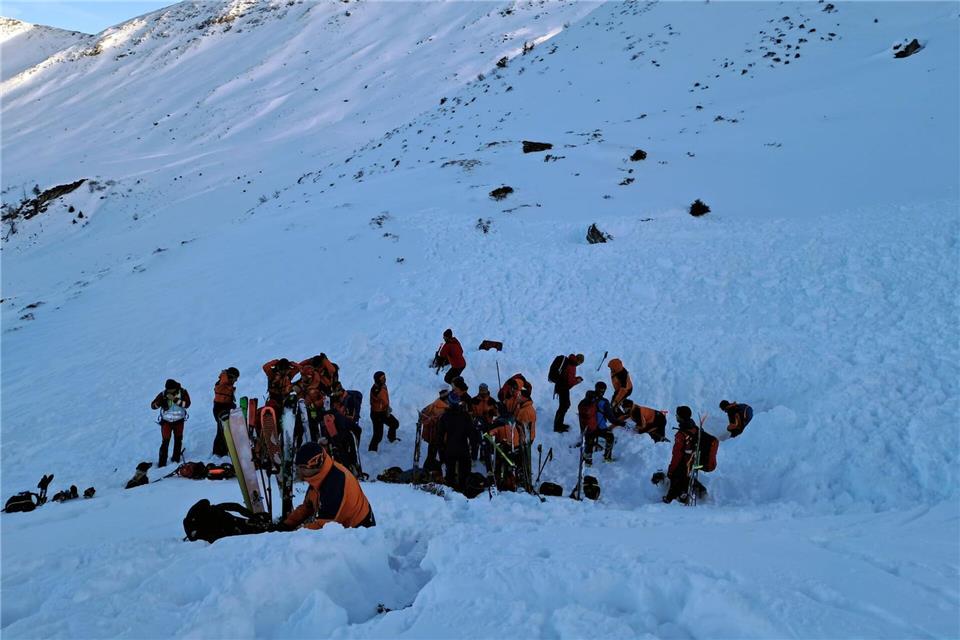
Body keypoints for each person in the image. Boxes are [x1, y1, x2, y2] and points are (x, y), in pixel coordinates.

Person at [278, 442, 375, 530]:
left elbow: (323, 526)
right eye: (298, 467)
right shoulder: (319, 476)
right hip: (342, 526)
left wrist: (295, 535)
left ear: (316, 465)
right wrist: (287, 524)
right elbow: (307, 507)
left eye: (302, 468)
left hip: (361, 532)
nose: (298, 472)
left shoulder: (335, 482)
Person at [436, 393, 479, 493]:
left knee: (450, 474)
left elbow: (440, 436)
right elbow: (472, 435)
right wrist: (474, 453)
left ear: (449, 403)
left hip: (450, 448)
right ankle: (463, 491)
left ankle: (450, 493)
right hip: (463, 448)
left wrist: (441, 454)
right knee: (465, 473)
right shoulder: (465, 416)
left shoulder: (445, 416)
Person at [663, 406, 706, 504]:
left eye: (677, 415)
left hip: (685, 461)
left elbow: (676, 455)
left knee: (674, 475)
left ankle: (670, 498)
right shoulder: (695, 428)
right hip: (694, 459)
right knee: (684, 477)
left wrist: (671, 469)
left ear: (681, 418)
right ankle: (691, 491)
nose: (676, 416)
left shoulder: (681, 434)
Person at [151, 379, 191, 467]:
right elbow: (152, 406)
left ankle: (176, 459)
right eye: (167, 389)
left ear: (175, 388)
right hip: (166, 422)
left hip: (179, 421)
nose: (169, 391)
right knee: (165, 442)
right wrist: (158, 403)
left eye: (170, 389)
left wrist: (175, 399)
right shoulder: (163, 394)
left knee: (178, 440)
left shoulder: (183, 392)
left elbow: (187, 404)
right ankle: (162, 463)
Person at [578, 389, 613, 465]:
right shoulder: (586, 405)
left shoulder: (588, 403)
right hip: (590, 430)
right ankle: (589, 461)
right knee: (590, 443)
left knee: (609, 436)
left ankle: (603, 458)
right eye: (593, 398)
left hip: (594, 428)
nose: (595, 399)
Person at [419, 389, 450, 473]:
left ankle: (428, 470)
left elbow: (423, 413)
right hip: (438, 436)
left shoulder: (435, 404)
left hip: (434, 436)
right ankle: (431, 470)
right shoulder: (443, 408)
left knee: (432, 454)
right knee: (440, 455)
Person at [368, 371, 400, 451]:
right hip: (377, 414)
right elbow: (376, 403)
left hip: (383, 412)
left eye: (384, 377)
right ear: (378, 380)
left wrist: (386, 408)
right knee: (378, 435)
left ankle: (391, 438)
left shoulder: (381, 386)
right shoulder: (377, 390)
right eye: (382, 378)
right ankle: (372, 450)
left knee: (394, 424)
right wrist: (386, 409)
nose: (385, 379)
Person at [212, 367, 239, 457]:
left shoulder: (227, 383)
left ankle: (223, 450)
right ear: (231, 376)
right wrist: (226, 374)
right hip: (219, 409)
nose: (236, 380)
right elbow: (224, 380)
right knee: (222, 431)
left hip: (224, 408)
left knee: (224, 430)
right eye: (235, 378)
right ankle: (218, 452)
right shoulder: (223, 382)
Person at [553, 354, 584, 433]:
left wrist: (576, 378)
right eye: (580, 363)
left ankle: (559, 424)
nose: (579, 364)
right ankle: (557, 426)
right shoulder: (572, 366)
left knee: (564, 405)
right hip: (563, 387)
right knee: (564, 406)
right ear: (579, 361)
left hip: (560, 386)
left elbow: (568, 378)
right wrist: (577, 380)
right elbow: (570, 382)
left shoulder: (569, 362)